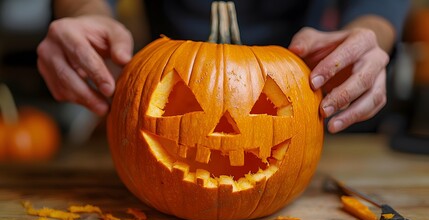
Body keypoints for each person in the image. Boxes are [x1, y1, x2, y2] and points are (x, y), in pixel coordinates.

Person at [37, 0, 410, 133]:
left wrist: (369, 31)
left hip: (301, 75)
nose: (224, 132)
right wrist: (85, 13)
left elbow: (377, 5)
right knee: (179, 94)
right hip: (172, 68)